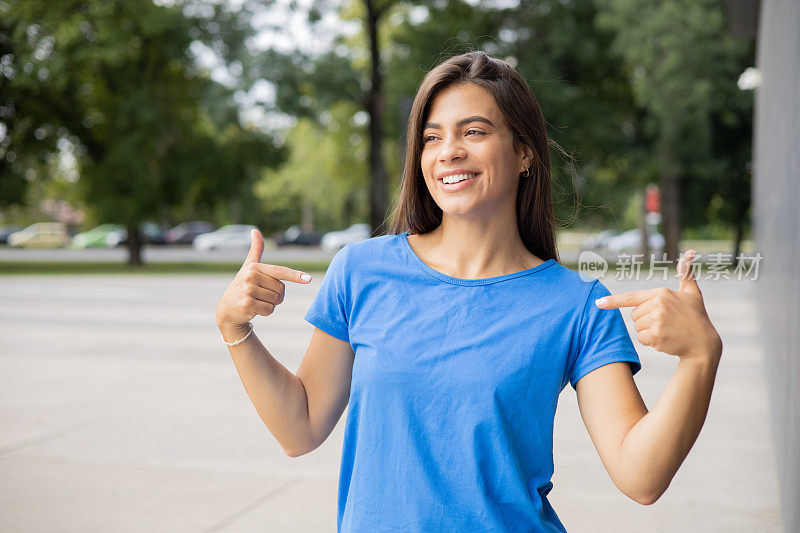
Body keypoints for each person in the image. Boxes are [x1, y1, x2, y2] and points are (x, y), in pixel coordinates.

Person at [215, 50, 723, 532]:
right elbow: (299, 427)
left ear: (524, 152)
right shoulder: (361, 271)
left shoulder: (578, 305)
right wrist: (235, 328)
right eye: (432, 138)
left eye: (474, 131)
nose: (449, 151)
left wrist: (699, 358)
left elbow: (641, 477)